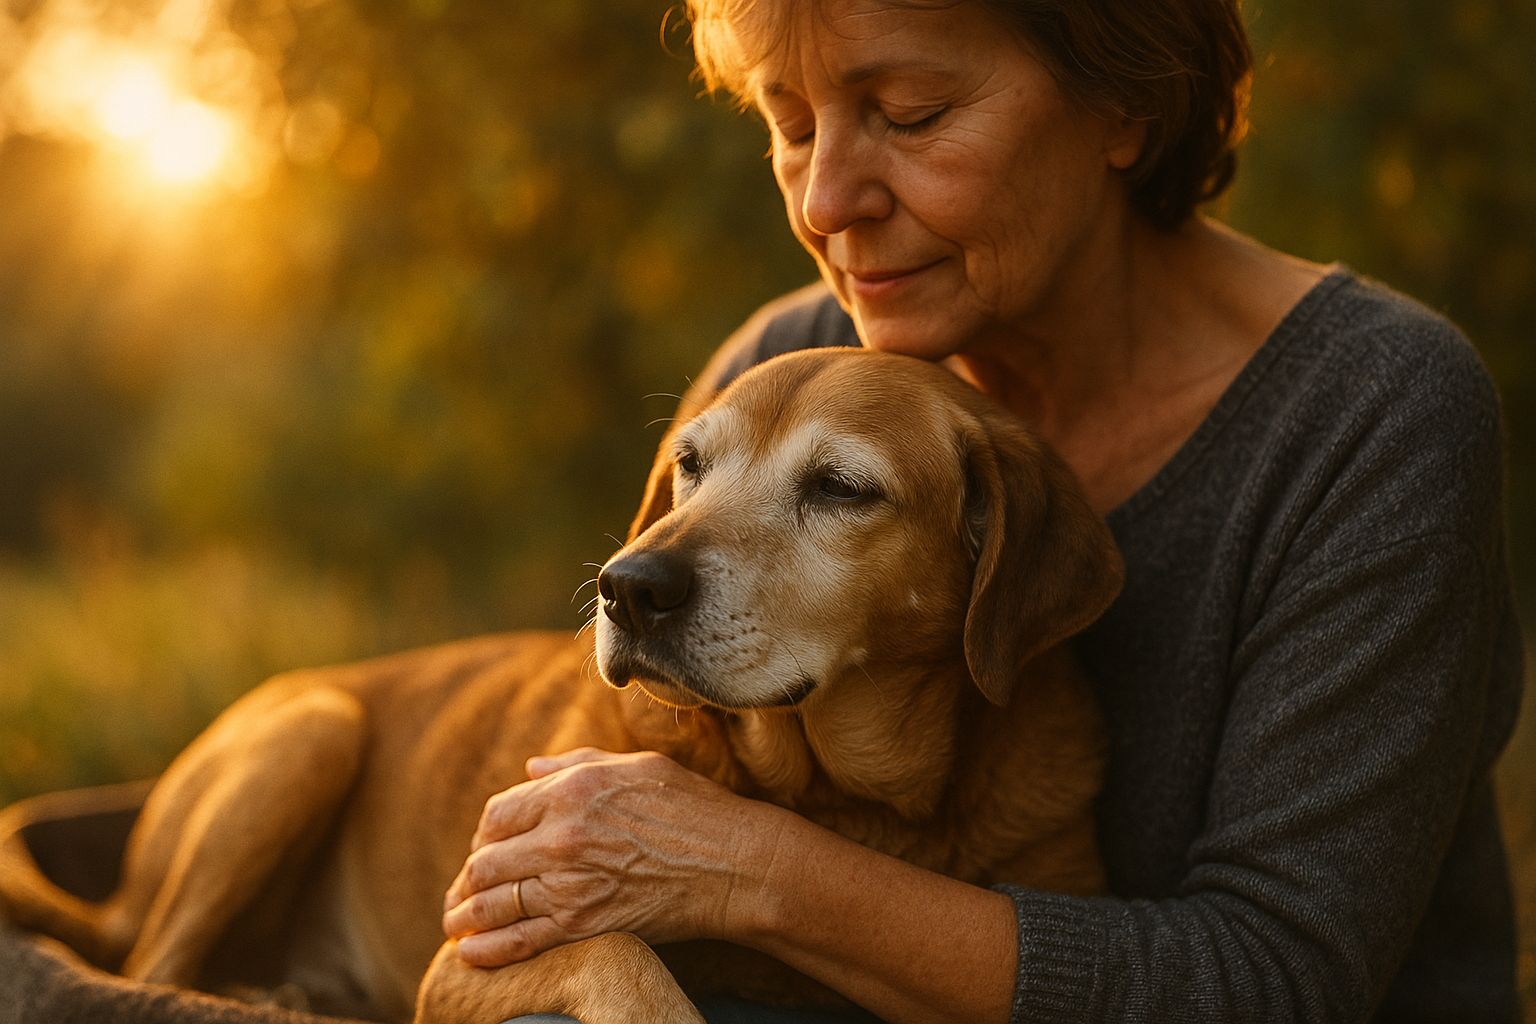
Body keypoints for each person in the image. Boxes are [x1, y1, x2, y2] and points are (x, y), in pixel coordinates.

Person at [439, 0, 1525, 1021]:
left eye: (909, 115)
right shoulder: (782, 358)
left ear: (1123, 102)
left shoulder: (1369, 411)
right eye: (791, 124)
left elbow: (1271, 981)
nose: (825, 202)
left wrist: (751, 870)